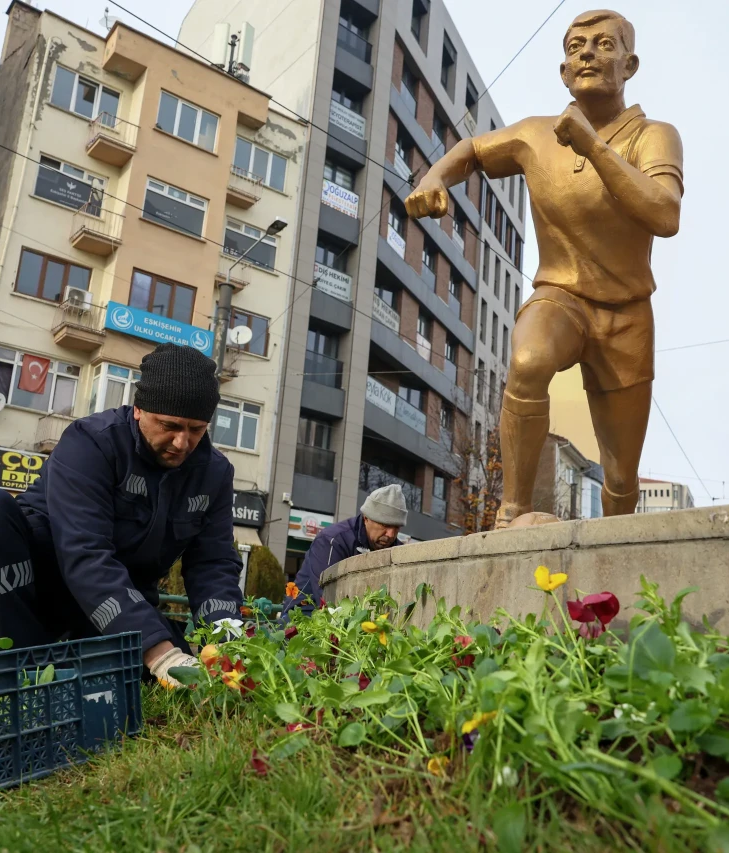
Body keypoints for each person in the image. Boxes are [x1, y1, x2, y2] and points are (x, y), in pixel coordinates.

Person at [405, 9, 682, 525]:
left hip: (626, 314)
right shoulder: (535, 134)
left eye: (603, 44)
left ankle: (618, 541)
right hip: (561, 294)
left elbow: (665, 215)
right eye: (576, 45)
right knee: (529, 361)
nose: (587, 53)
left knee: (621, 476)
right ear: (563, 71)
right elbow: (472, 149)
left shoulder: (655, 136)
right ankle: (513, 510)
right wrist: (434, 178)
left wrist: (593, 147)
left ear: (630, 64)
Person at [0, 343, 244, 686]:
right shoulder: (91, 443)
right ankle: (29, 667)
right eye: (169, 425)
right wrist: (159, 654)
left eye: (196, 429)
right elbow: (84, 552)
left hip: (117, 607)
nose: (181, 442)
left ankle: (90, 659)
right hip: (33, 589)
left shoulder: (214, 473)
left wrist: (227, 645)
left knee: (165, 663)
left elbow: (214, 563)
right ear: (139, 410)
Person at [282, 485, 407, 616]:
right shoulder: (333, 541)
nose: (391, 534)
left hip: (356, 618)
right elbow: (326, 595)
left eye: (397, 527)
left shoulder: (396, 548)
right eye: (385, 525)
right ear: (366, 518)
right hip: (305, 614)